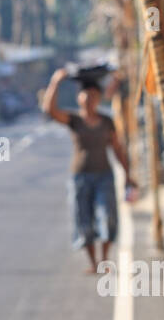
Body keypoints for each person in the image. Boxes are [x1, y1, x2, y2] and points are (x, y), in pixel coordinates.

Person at [42, 67, 135, 273]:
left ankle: (105, 259)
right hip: (80, 177)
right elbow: (50, 110)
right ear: (79, 98)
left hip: (104, 176)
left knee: (107, 216)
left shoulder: (107, 121)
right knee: (84, 220)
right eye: (86, 96)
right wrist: (56, 82)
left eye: (93, 96)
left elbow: (117, 149)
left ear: (99, 98)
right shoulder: (74, 120)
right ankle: (94, 263)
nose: (89, 100)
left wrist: (128, 175)